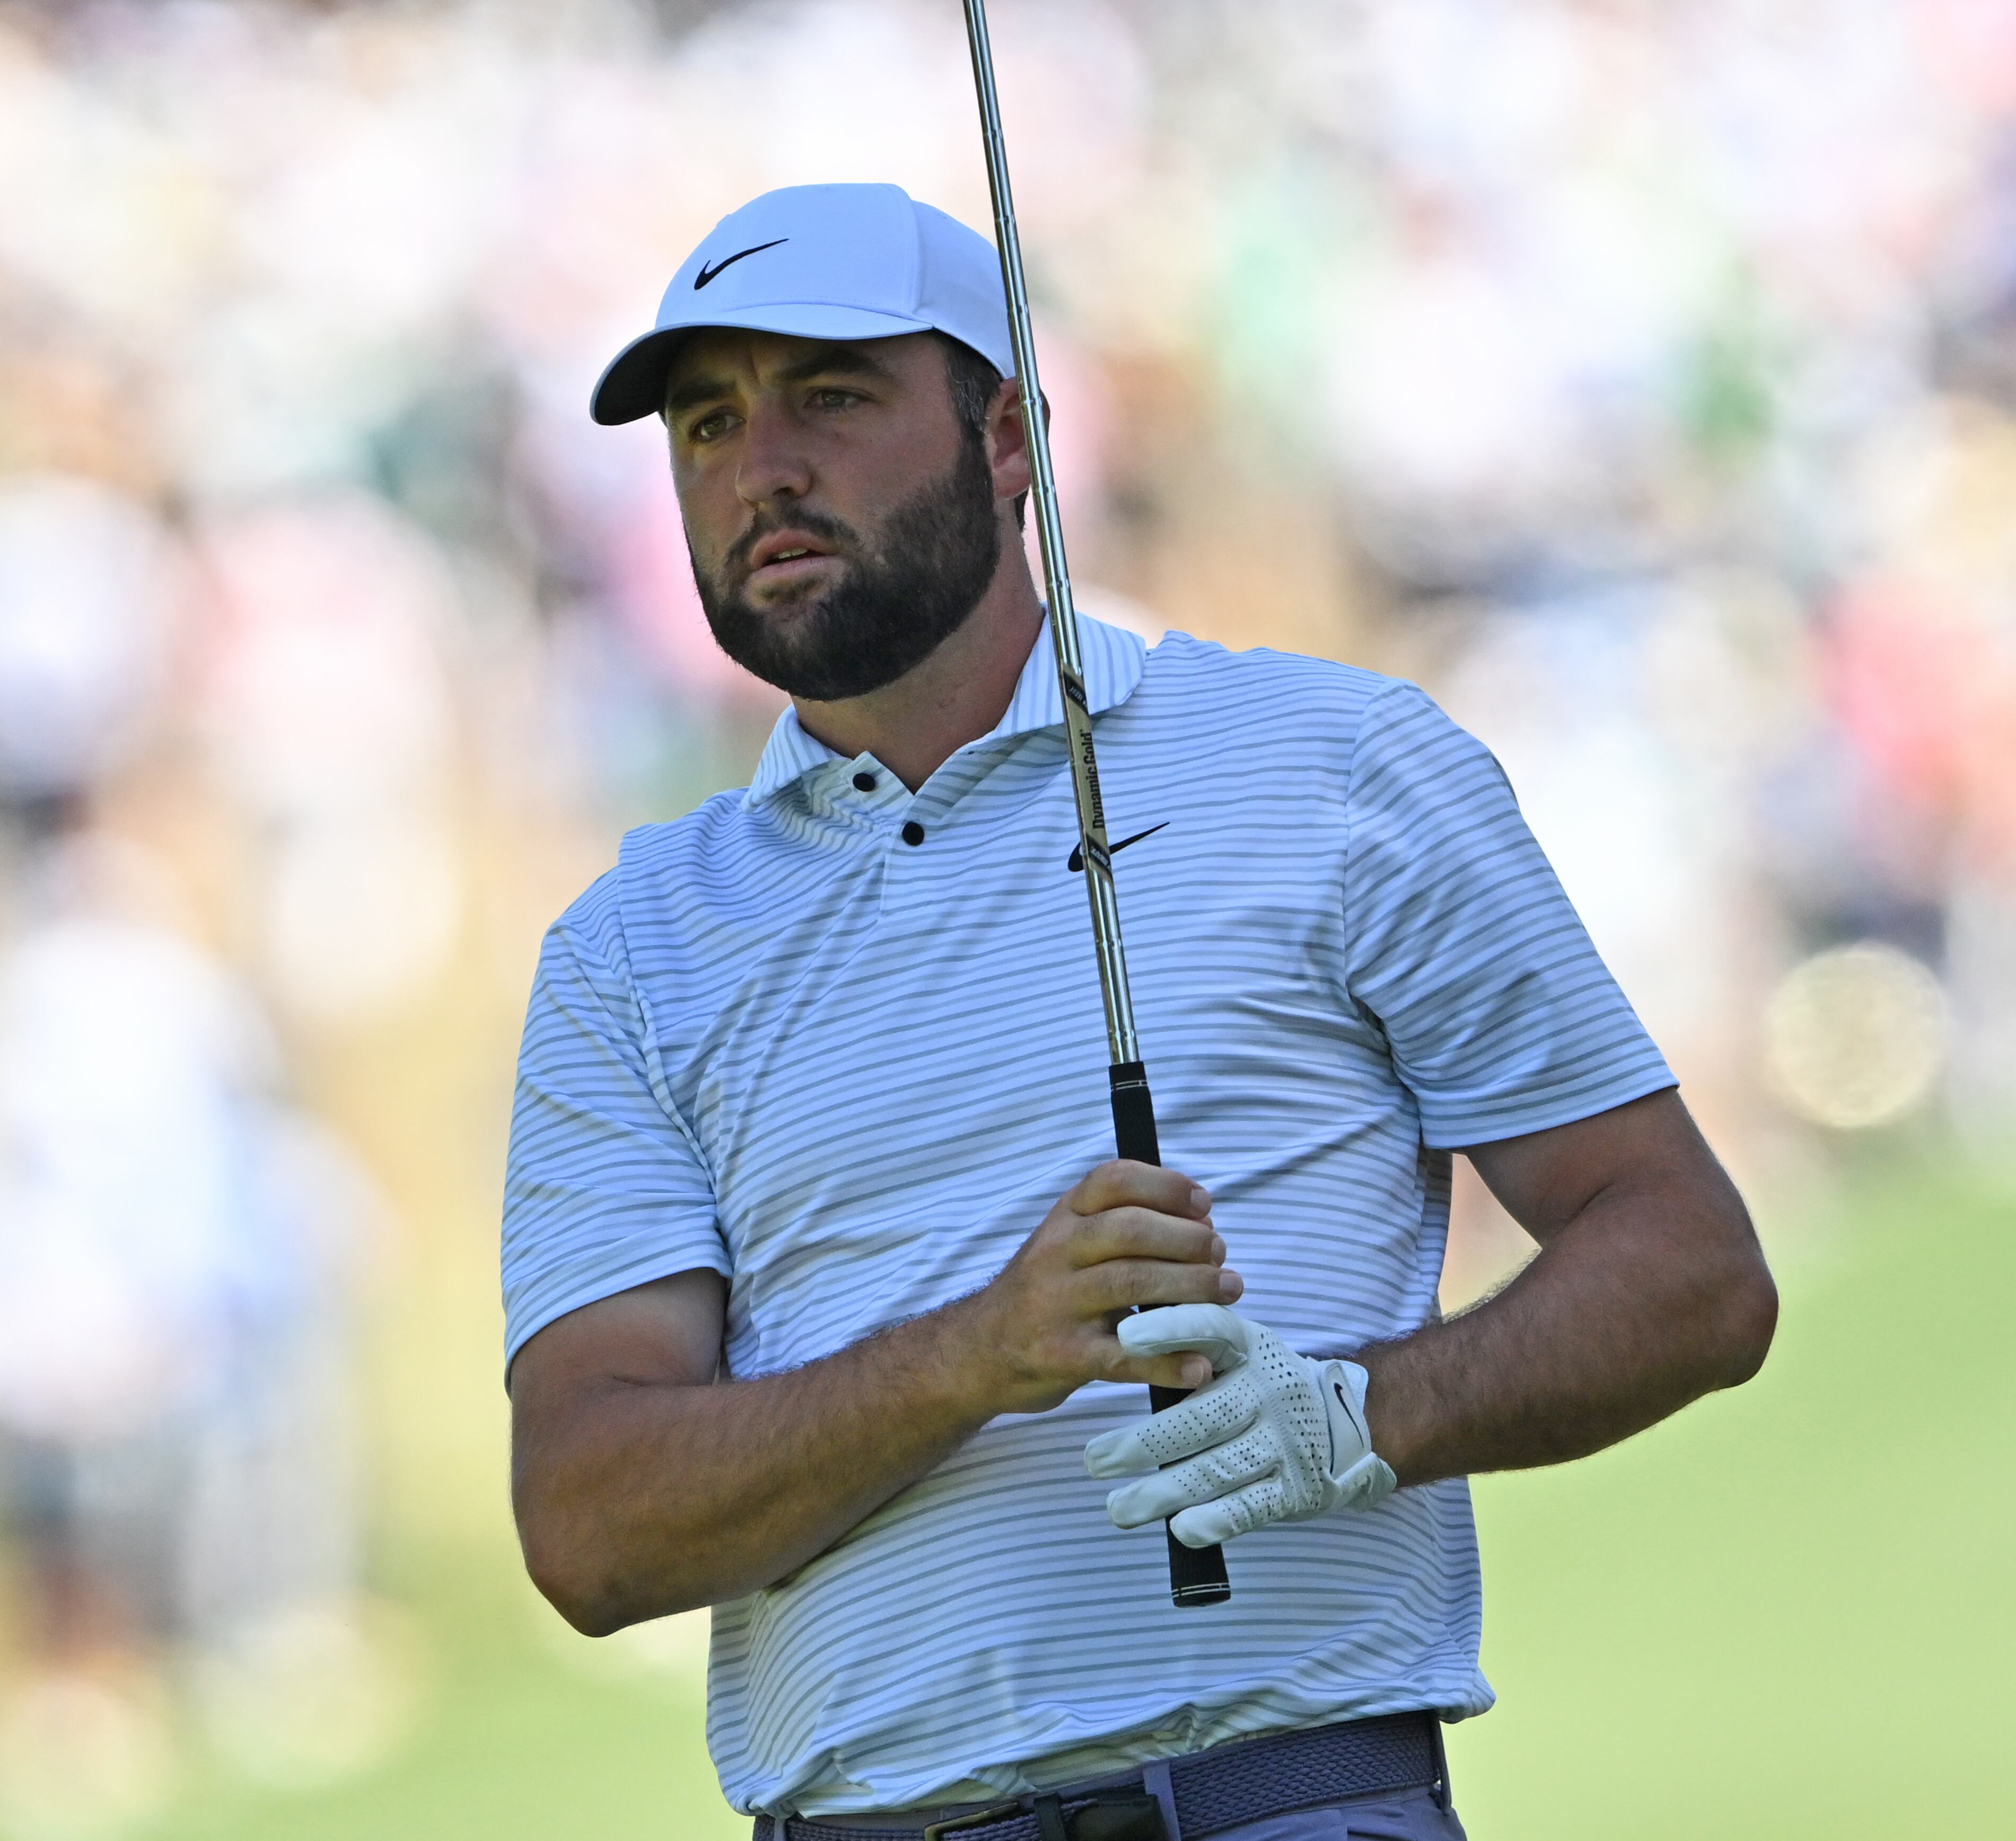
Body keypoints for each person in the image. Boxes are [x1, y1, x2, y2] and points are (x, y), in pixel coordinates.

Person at [502, 181, 1778, 1841]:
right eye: (707, 420)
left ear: (1011, 439)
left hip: (1290, 1799)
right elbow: (591, 1526)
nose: (764, 467)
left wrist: (1359, 1416)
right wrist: (975, 1356)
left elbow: (1691, 1265)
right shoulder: (630, 946)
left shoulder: (1337, 768)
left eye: (831, 396)